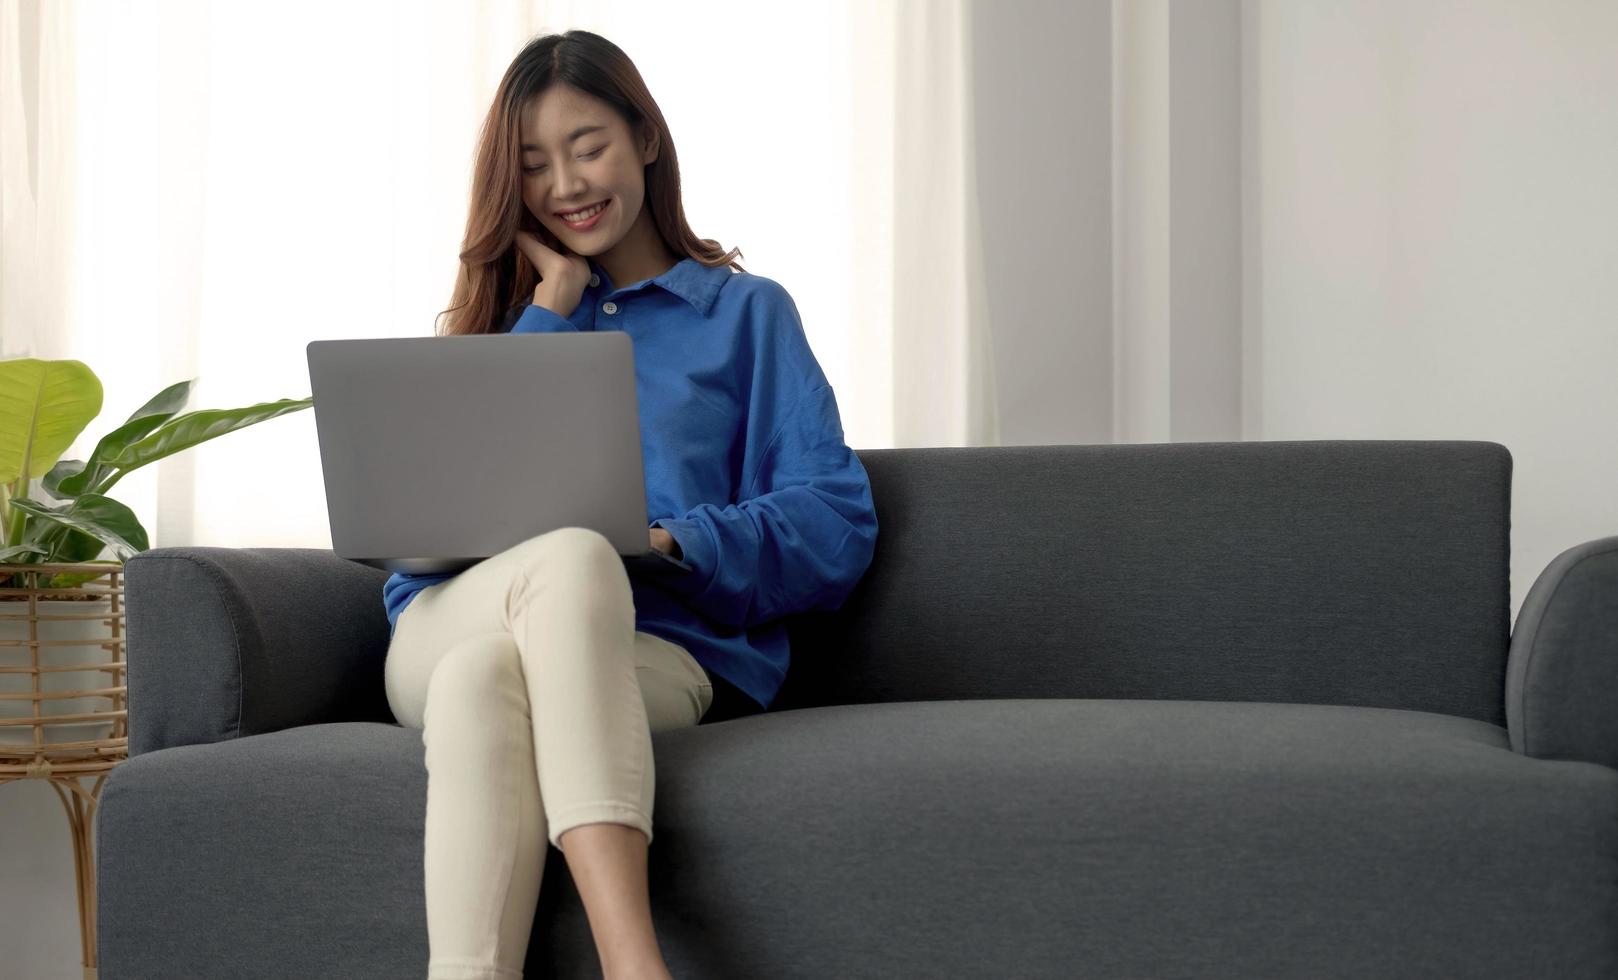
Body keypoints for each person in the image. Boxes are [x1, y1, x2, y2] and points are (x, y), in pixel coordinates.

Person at [379, 28, 879, 980]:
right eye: (533, 166)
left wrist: (672, 540)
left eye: (588, 145)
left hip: (655, 655)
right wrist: (550, 310)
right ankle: (635, 965)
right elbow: (422, 541)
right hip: (447, 618)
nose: (565, 183)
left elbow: (835, 521)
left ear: (646, 138)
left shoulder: (745, 315)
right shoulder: (499, 328)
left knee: (484, 681)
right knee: (565, 562)